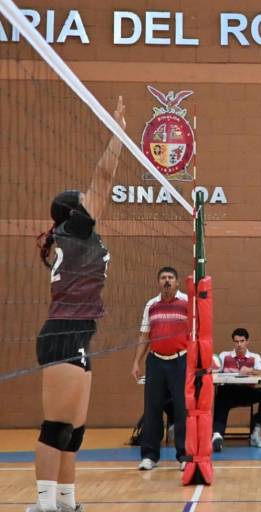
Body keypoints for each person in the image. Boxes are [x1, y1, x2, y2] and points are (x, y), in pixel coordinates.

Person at [29, 98, 125, 512]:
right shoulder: (76, 229)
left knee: (74, 431)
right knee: (56, 428)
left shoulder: (76, 236)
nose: (91, 200)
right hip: (63, 333)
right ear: (74, 211)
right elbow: (103, 178)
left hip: (79, 334)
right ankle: (44, 504)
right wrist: (118, 133)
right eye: (83, 199)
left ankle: (67, 502)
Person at [131, 267, 189, 471]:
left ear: (177, 282)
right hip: (155, 362)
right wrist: (136, 362)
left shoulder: (187, 303)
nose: (167, 281)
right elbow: (144, 335)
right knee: (152, 409)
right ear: (158, 282)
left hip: (180, 361)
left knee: (181, 409)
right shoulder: (151, 305)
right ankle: (149, 456)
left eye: (170, 277)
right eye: (163, 278)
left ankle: (184, 455)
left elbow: (196, 333)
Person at [211, 328, 261, 450]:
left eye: (242, 341)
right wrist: (213, 368)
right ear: (233, 342)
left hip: (247, 392)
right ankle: (217, 435)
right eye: (236, 341)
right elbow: (215, 371)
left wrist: (251, 371)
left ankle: (256, 433)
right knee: (221, 395)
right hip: (228, 393)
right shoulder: (224, 356)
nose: (239, 344)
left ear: (247, 342)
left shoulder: (254, 357)